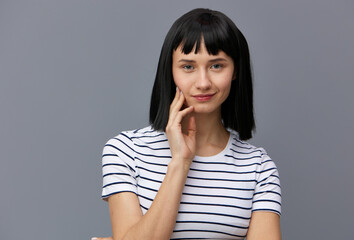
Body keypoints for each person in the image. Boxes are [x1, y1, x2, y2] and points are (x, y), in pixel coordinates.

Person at [94, 8, 281, 240]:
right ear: (170, 71)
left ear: (235, 71)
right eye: (188, 67)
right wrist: (180, 162)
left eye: (216, 65)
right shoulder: (125, 151)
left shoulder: (259, 167)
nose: (203, 83)